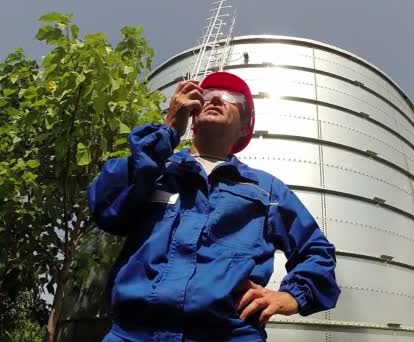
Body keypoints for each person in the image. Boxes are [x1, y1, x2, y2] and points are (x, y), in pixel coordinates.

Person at [87, 72, 340, 341]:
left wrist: (292, 296)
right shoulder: (155, 169)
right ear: (193, 115)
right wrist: (168, 130)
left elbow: (316, 251)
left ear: (245, 127)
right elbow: (106, 210)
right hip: (133, 334)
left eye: (231, 97)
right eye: (206, 95)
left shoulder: (266, 190)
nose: (216, 98)